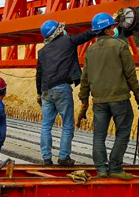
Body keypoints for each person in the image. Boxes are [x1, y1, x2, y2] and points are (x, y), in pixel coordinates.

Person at [78, 13, 139, 179]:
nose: (114, 29)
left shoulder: (90, 50)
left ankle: (101, 170)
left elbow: (85, 78)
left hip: (99, 101)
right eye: (112, 27)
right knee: (122, 133)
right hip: (119, 99)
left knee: (99, 136)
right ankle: (115, 168)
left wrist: (84, 102)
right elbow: (130, 74)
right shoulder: (120, 46)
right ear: (107, 30)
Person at [36, 20, 96, 166]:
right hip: (62, 88)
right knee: (67, 124)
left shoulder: (42, 51)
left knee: (46, 125)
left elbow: (39, 73)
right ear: (58, 30)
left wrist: (39, 93)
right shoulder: (67, 40)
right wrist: (101, 26)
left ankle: (46, 158)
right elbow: (86, 35)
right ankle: (63, 157)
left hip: (46, 90)